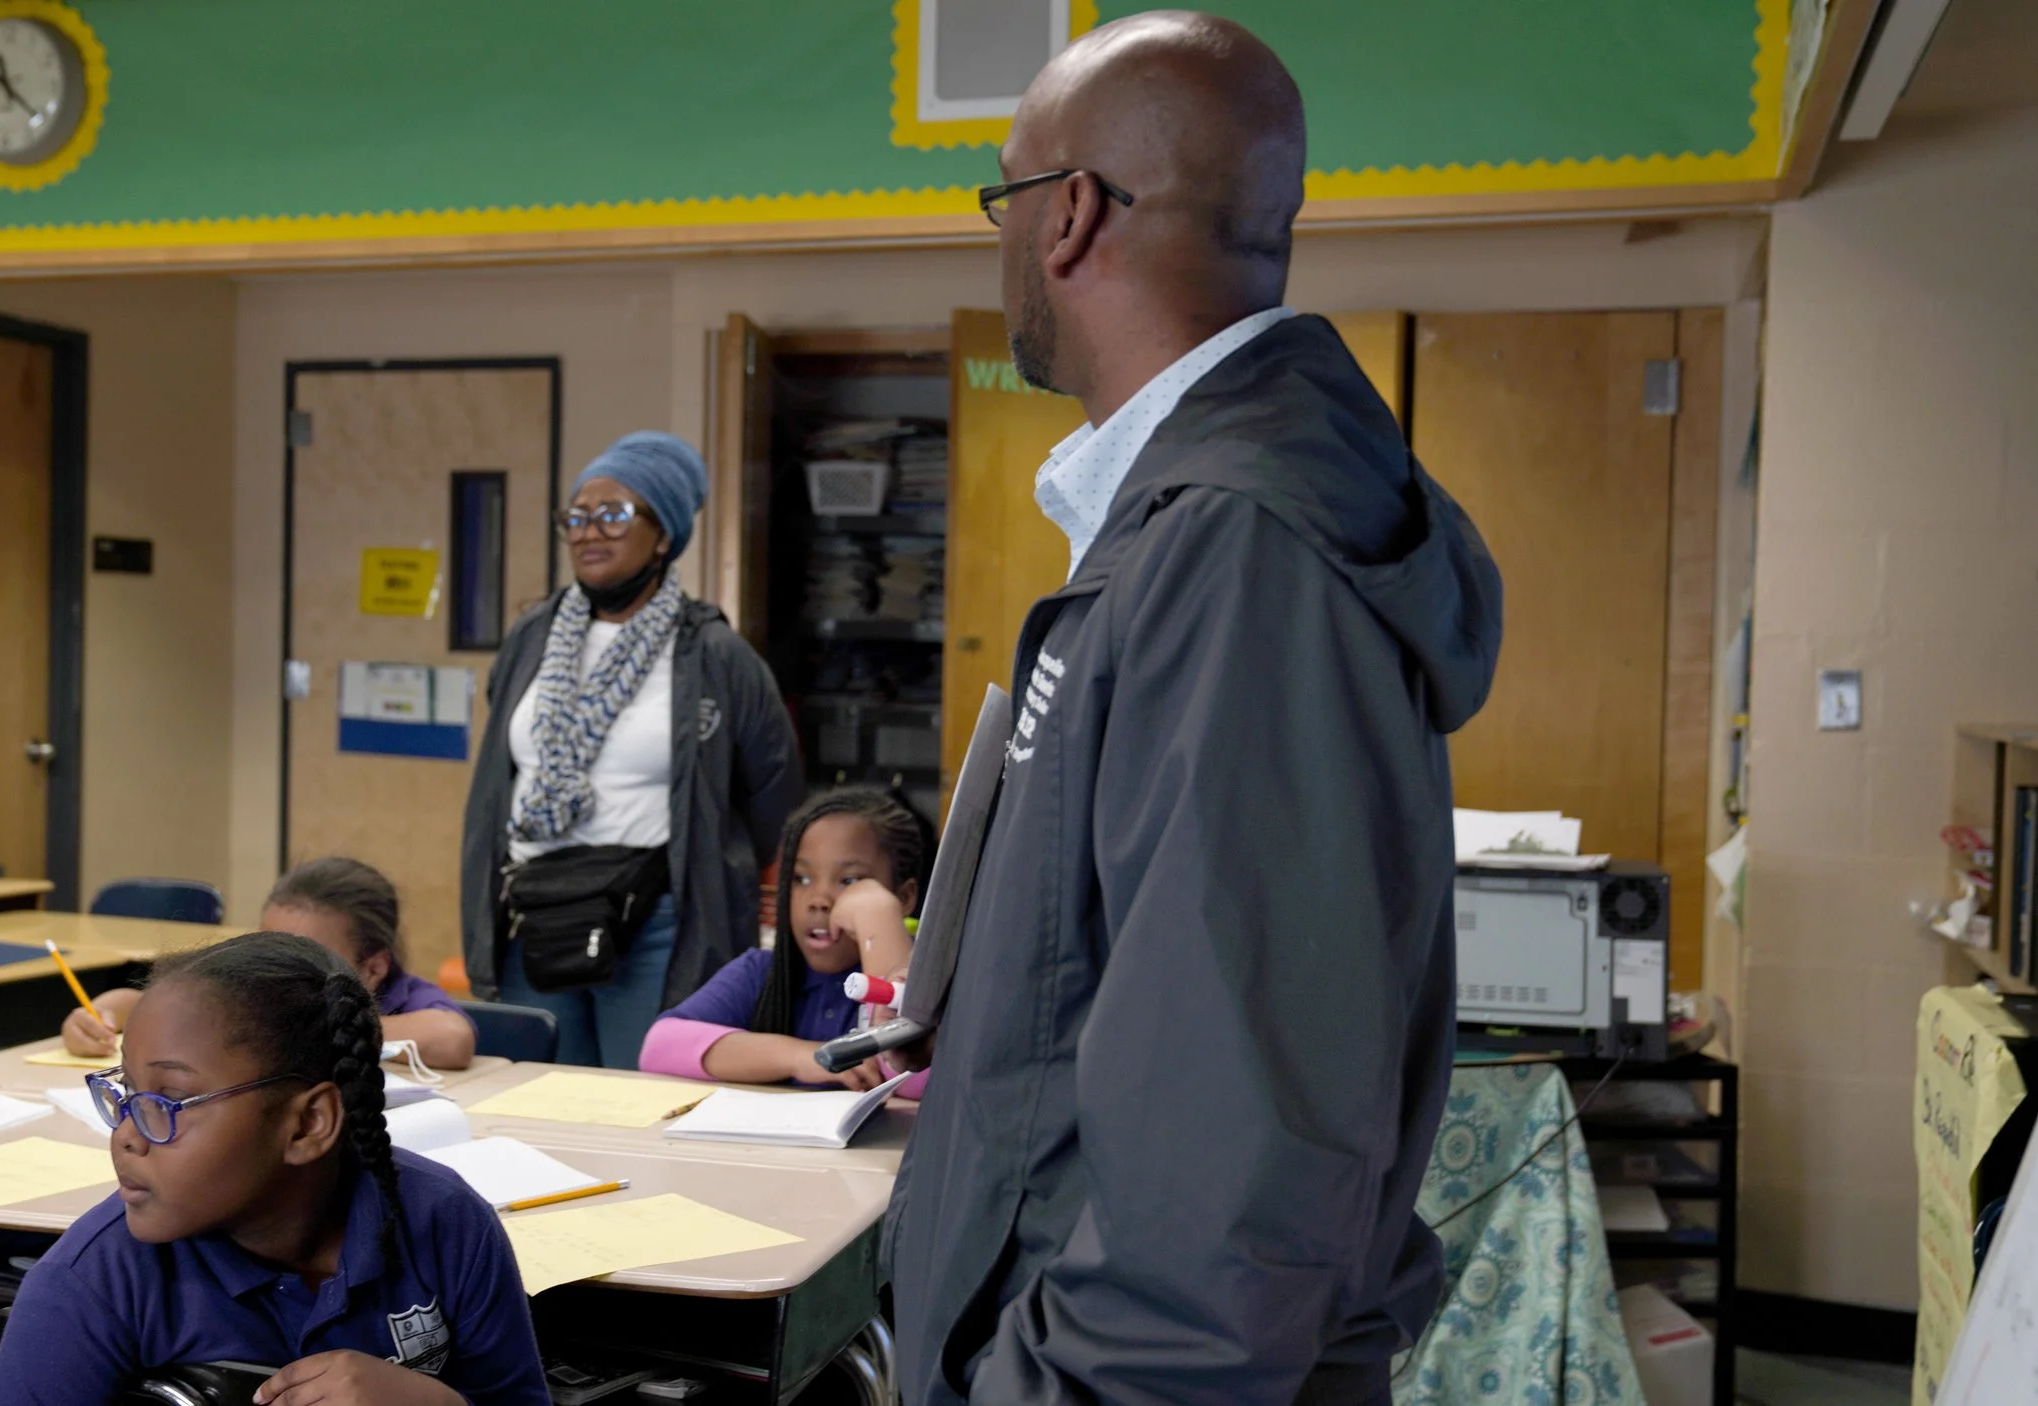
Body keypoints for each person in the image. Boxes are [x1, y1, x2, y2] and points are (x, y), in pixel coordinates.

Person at [884, 13, 1503, 1406]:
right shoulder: (1178, 524)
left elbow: (1234, 1161)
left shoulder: (1239, 554)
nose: (999, 243)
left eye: (1003, 193)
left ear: (1070, 216)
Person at [0, 932, 547, 1406]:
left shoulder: (448, 1224)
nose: (127, 1136)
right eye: (129, 1093)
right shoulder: (89, 1283)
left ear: (307, 1125)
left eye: (170, 1101)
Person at [461, 431, 801, 1069]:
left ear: (664, 536)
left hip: (659, 924)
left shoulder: (715, 655)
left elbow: (772, 794)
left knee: (646, 1099)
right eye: (577, 518)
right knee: (537, 1101)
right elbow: (503, 776)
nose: (590, 532)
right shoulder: (530, 639)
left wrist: (708, 861)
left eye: (614, 515)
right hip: (537, 910)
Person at [61, 858, 476, 1069]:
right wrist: (101, 1014)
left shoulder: (406, 998)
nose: (282, 965)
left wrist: (306, 1026)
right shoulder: (252, 984)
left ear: (373, 968)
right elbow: (144, 1003)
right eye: (269, 943)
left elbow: (452, 1038)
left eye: (310, 954)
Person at [638, 788, 928, 1089]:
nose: (818, 899)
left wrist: (878, 922)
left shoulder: (932, 983)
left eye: (850, 881)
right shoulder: (762, 971)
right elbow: (659, 1048)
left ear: (904, 897)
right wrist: (801, 1056)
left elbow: (913, 1079)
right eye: (801, 879)